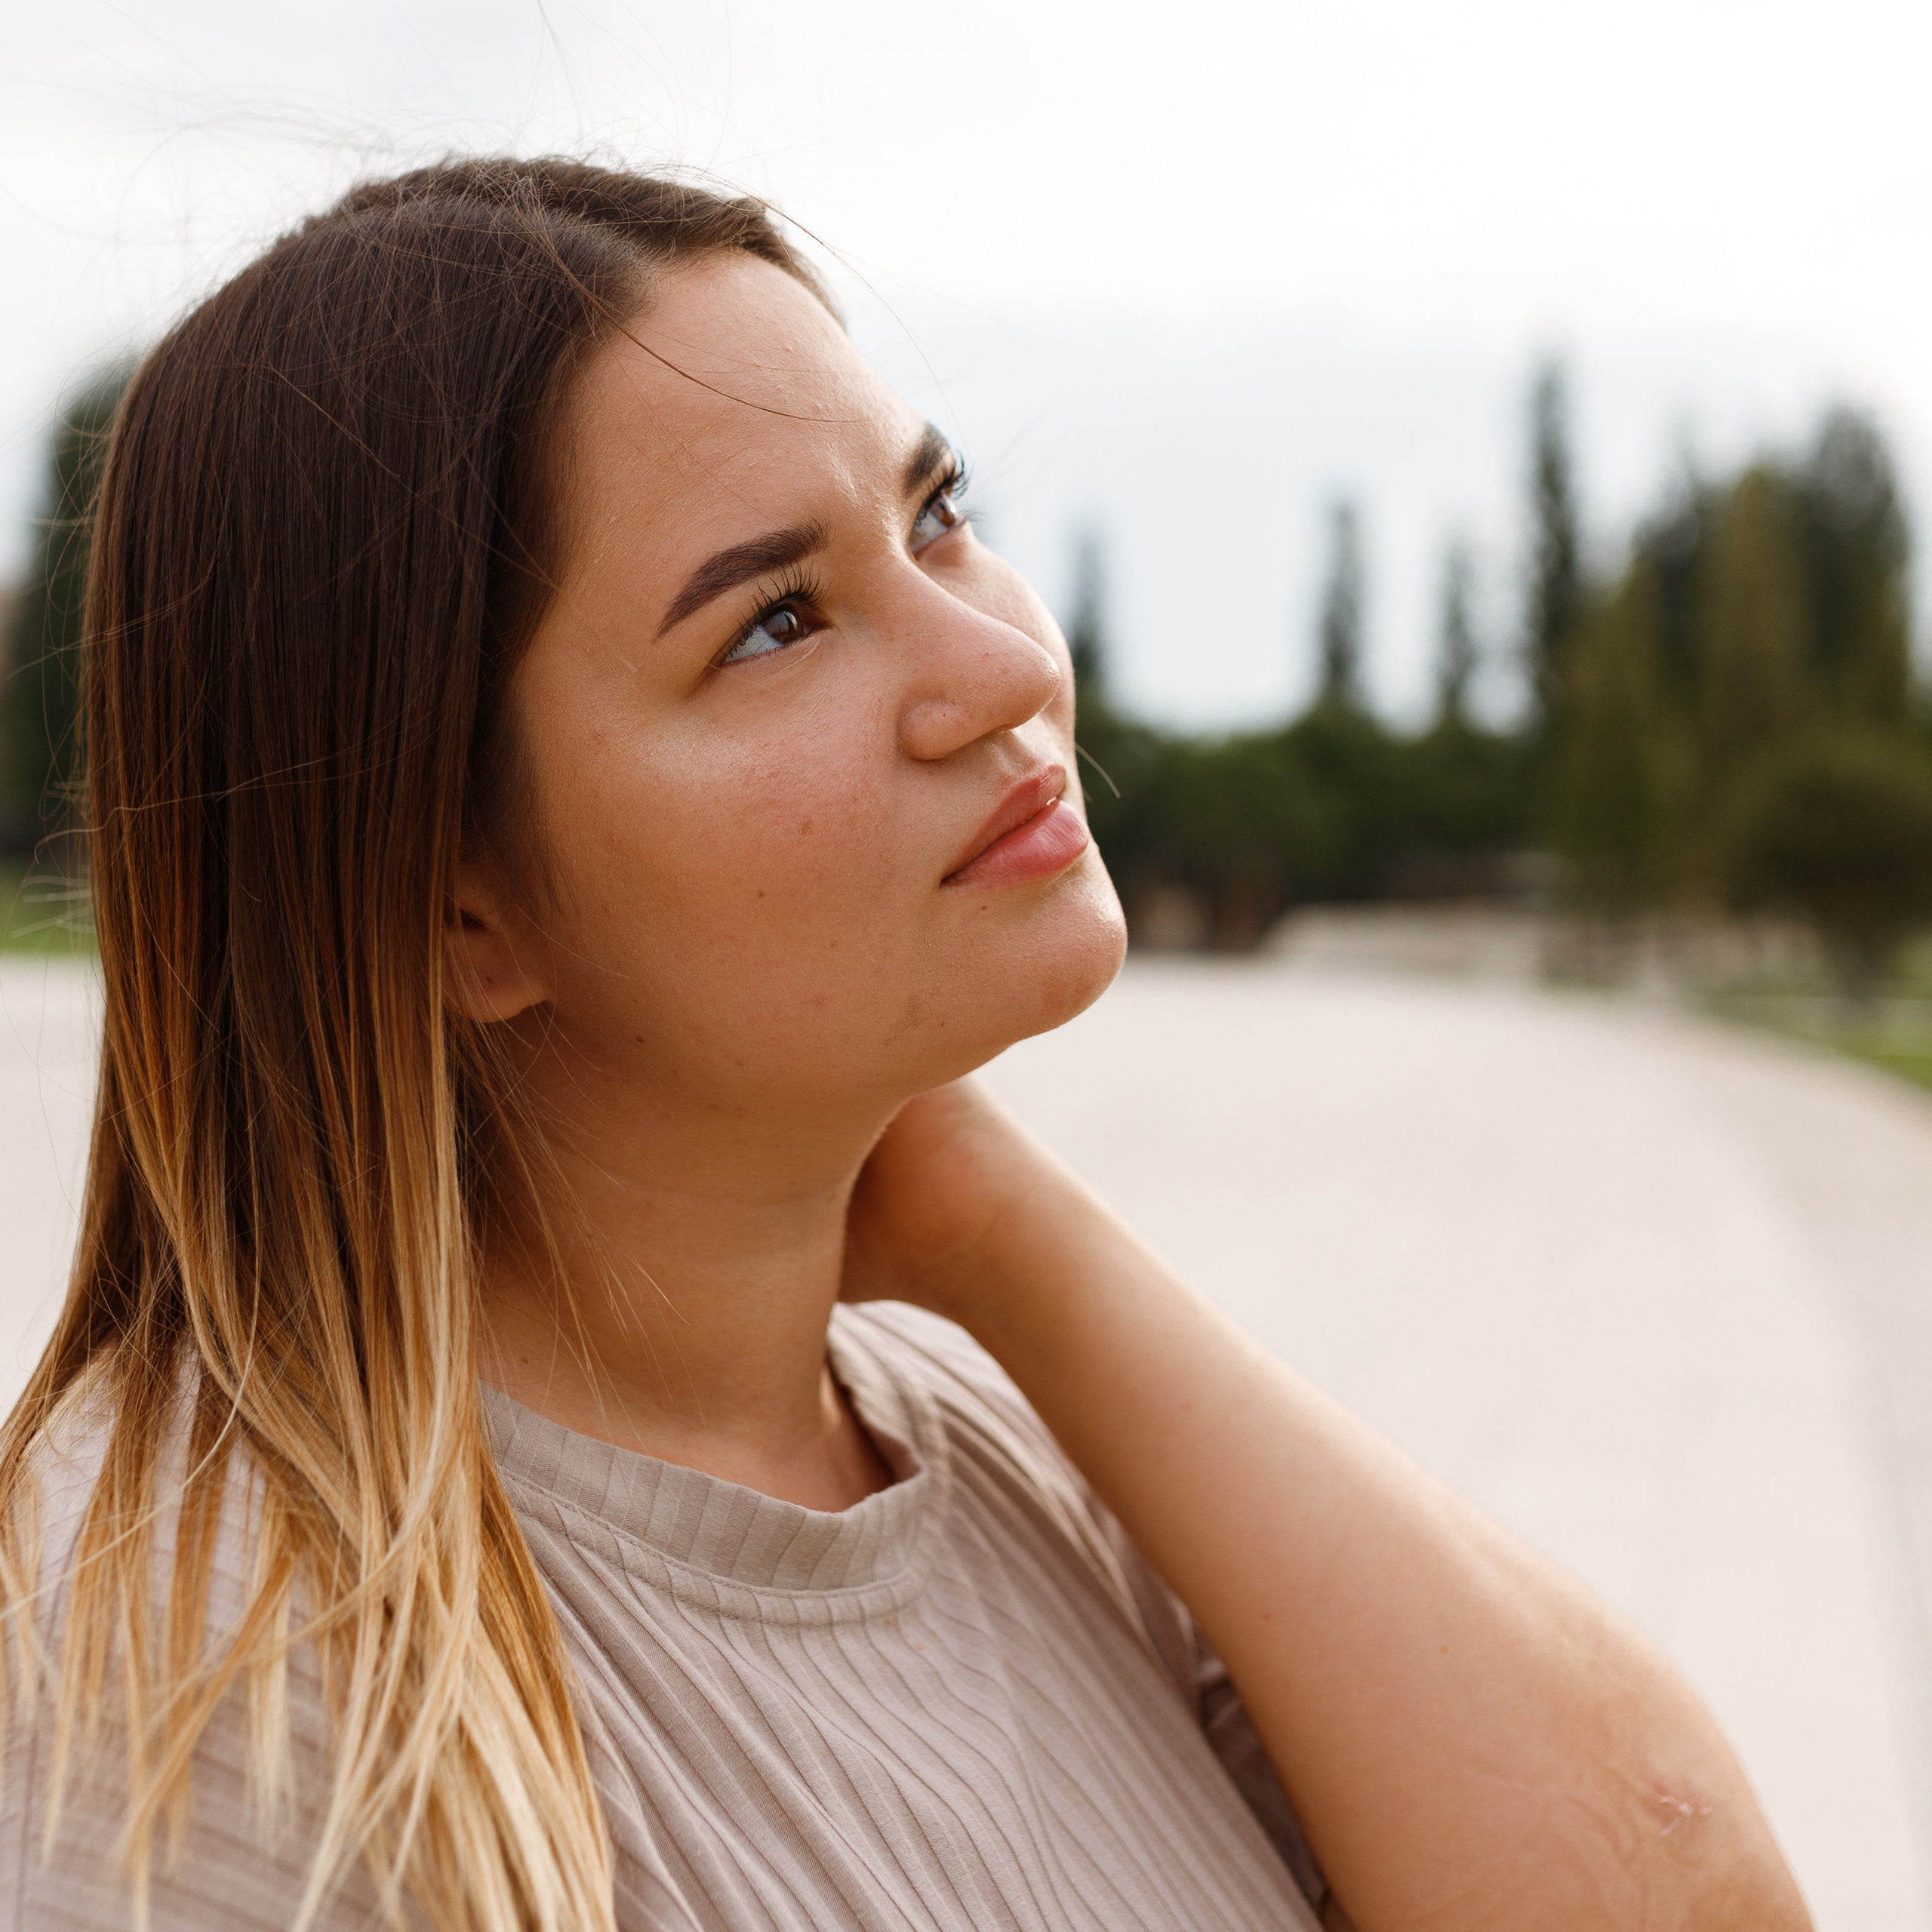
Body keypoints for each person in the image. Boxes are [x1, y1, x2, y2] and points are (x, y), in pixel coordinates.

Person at [0, 158, 1807, 1932]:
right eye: (775, 622)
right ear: (458, 906)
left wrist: (1004, 1232)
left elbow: (1671, 1880)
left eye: (937, 514)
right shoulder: (200, 1674)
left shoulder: (987, 1451)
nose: (1005, 667)